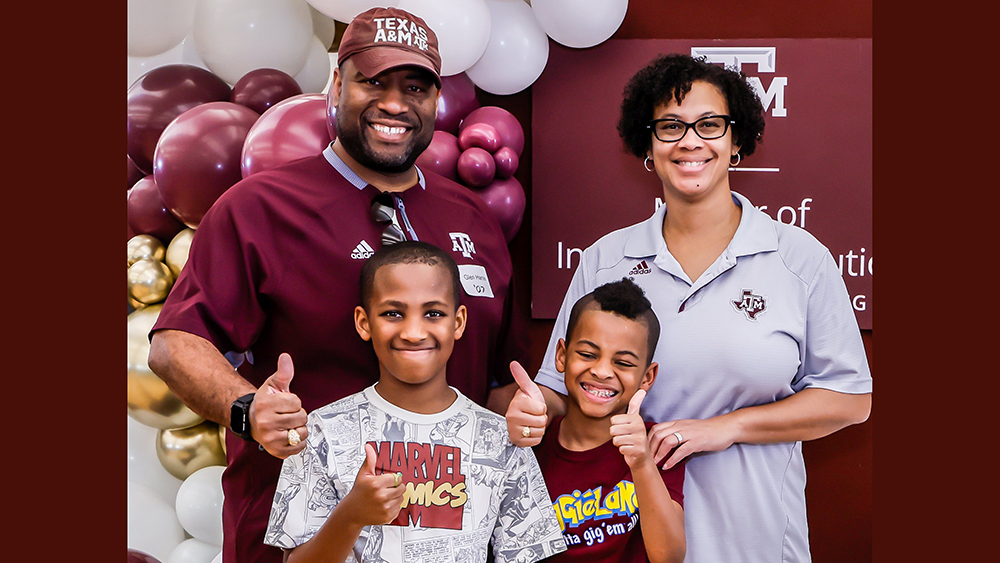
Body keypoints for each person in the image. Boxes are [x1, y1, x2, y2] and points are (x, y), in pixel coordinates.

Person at [146, 7, 526, 563]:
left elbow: (496, 383)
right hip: (302, 538)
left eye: (415, 87)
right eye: (375, 81)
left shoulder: (474, 220)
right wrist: (248, 410)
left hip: (443, 539)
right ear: (337, 84)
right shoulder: (259, 208)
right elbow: (174, 344)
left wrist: (525, 412)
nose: (395, 104)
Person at [505, 53, 872, 563]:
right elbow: (560, 391)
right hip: (628, 545)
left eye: (710, 124)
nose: (690, 141)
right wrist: (535, 411)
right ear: (648, 146)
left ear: (736, 141)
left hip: (757, 541)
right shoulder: (604, 260)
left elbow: (850, 399)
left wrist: (725, 427)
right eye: (671, 126)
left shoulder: (798, 258)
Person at [264, 241, 567, 563]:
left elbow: (527, 554)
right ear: (364, 322)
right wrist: (351, 516)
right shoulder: (322, 432)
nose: (412, 332)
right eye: (393, 313)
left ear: (458, 322)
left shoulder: (501, 437)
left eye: (433, 313)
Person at [512, 278, 686, 563]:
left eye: (623, 363)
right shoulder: (531, 443)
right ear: (562, 356)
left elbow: (669, 557)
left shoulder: (656, 445)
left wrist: (641, 463)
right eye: (588, 354)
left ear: (647, 377)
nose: (602, 371)